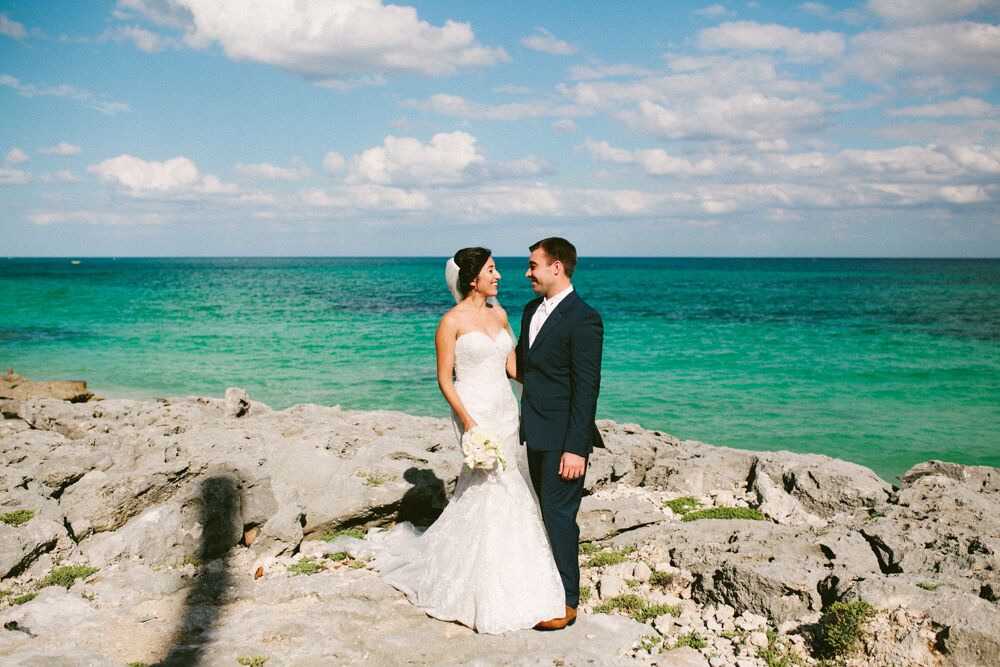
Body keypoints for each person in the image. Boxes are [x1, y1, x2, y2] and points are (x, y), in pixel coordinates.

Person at [366, 247, 565, 634]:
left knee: (511, 484)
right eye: (493, 270)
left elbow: (511, 367)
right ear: (473, 278)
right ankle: (479, 582)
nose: (500, 276)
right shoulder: (451, 322)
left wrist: (552, 388)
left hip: (505, 410)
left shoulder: (500, 314)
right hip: (473, 410)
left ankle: (514, 570)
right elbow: (445, 378)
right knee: (489, 485)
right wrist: (469, 422)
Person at [516, 237, 604, 631]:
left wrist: (576, 448)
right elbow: (523, 366)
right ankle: (543, 587)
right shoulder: (530, 309)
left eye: (533, 265)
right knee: (543, 515)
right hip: (533, 432)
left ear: (557, 267)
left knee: (560, 516)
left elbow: (587, 389)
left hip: (564, 439)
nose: (527, 272)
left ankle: (567, 602)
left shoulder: (584, 318)